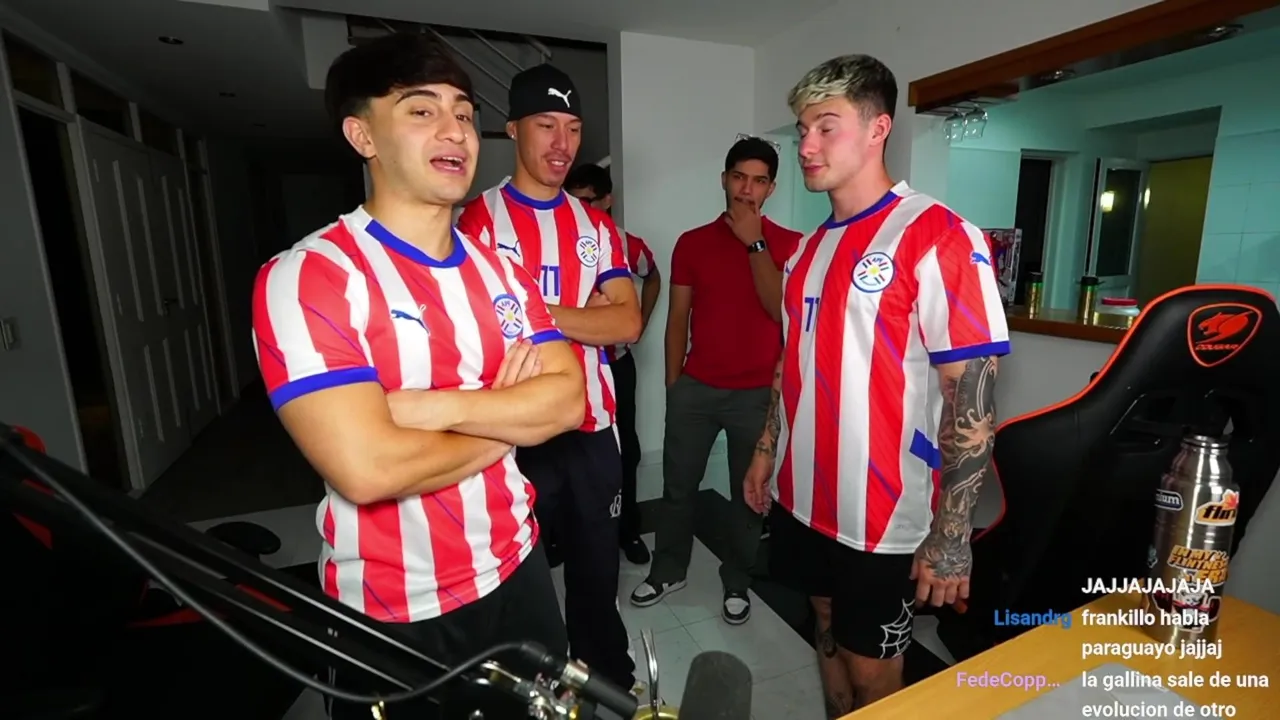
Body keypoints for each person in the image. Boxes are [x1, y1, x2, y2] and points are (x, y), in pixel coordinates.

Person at [251, 34, 582, 720]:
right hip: (393, 608)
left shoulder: (502, 271)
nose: (455, 130)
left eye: (463, 112)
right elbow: (370, 468)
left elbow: (567, 401)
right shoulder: (311, 276)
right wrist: (507, 416)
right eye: (422, 110)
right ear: (362, 135)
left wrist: (430, 408)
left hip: (518, 569)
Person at [742, 55, 1010, 716]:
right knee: (824, 626)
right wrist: (766, 450)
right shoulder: (806, 252)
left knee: (873, 672)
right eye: (802, 129)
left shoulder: (939, 236)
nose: (806, 145)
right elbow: (791, 362)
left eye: (825, 127)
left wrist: (952, 537)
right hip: (803, 497)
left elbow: (972, 397)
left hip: (882, 514)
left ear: (877, 128)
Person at [456, 64, 640, 691]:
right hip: (514, 435)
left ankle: (604, 682)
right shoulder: (476, 223)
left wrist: (530, 312)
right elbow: (478, 332)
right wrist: (582, 316)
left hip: (592, 430)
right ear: (513, 130)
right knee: (518, 578)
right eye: (546, 125)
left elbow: (627, 321)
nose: (563, 144)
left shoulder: (596, 228)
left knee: (596, 573)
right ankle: (530, 686)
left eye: (573, 127)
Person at [630, 138, 802, 625]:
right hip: (696, 389)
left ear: (771, 188)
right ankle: (669, 570)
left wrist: (755, 242)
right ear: (724, 179)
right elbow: (677, 318)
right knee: (677, 486)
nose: (747, 189)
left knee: (747, 495)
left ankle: (737, 579)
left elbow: (779, 311)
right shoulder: (692, 242)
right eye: (739, 177)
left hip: (756, 395)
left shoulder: (790, 244)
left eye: (759, 181)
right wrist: (674, 386)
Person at [564, 162, 662, 565]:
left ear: (607, 201)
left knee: (625, 449)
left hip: (615, 364)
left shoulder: (624, 242)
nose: (579, 208)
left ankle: (628, 530)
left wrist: (639, 322)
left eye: (588, 201)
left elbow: (652, 276)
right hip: (567, 366)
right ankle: (562, 533)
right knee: (565, 451)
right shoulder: (553, 237)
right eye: (573, 200)